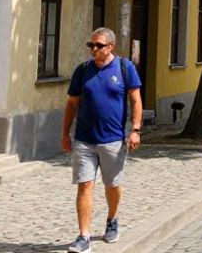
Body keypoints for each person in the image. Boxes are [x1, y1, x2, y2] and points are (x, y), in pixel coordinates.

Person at [61, 28, 142, 253]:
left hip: (113, 139)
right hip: (84, 139)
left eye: (98, 45)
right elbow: (71, 104)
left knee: (112, 185)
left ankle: (112, 219)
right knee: (85, 185)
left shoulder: (125, 69)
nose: (93, 49)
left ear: (110, 47)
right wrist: (65, 133)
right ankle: (83, 236)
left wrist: (135, 130)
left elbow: (136, 101)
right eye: (91, 45)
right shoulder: (83, 71)